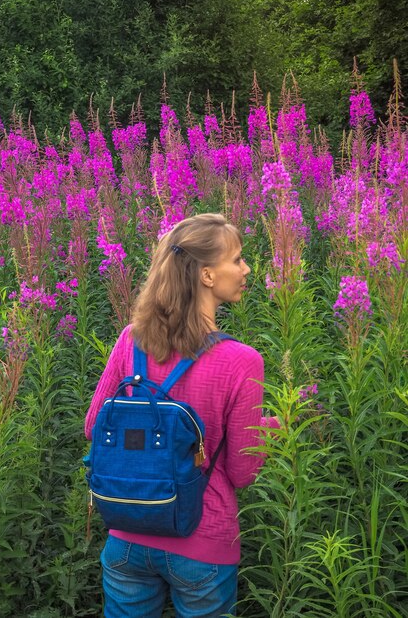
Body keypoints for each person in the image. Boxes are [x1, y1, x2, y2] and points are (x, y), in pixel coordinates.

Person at [85, 213, 279, 618]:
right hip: (203, 544)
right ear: (207, 275)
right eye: (238, 259)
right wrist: (275, 429)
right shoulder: (242, 362)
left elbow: (94, 427)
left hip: (127, 535)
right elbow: (242, 473)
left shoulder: (132, 341)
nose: (246, 269)